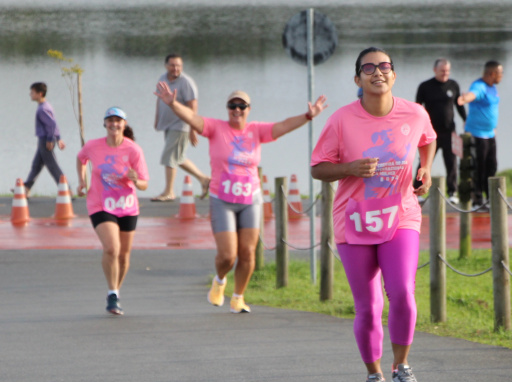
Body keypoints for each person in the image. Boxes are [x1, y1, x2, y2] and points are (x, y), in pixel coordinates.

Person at [311, 47, 437, 382]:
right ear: (357, 79)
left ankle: (401, 366)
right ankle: (374, 375)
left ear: (394, 75)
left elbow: (428, 140)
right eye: (369, 68)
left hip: (401, 214)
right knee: (368, 306)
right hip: (354, 220)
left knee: (403, 295)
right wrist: (349, 168)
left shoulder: (414, 113)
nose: (377, 72)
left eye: (385, 66)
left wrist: (424, 170)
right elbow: (318, 167)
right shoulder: (341, 120)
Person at [155, 83, 327, 314]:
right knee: (227, 255)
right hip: (221, 199)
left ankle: (238, 297)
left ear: (249, 108)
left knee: (247, 252)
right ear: (227, 108)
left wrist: (308, 115)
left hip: (250, 200)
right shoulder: (216, 128)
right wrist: (173, 104)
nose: (237, 110)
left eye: (241, 106)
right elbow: (193, 119)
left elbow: (284, 126)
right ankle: (219, 281)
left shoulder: (256, 130)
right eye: (232, 106)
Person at [76, 107, 149, 316]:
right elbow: (80, 159)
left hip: (127, 206)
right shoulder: (93, 146)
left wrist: (136, 179)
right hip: (100, 204)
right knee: (112, 248)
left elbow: (144, 184)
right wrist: (82, 181)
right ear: (104, 124)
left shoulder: (133, 150)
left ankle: (115, 291)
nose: (114, 125)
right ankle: (112, 294)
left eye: (118, 121)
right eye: (110, 121)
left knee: (124, 255)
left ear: (124, 125)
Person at [151, 54, 210, 202]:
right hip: (168, 125)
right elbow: (160, 100)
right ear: (166, 66)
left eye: (178, 65)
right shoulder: (162, 79)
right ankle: (204, 179)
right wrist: (157, 118)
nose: (176, 68)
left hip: (181, 124)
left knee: (169, 157)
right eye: (172, 65)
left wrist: (193, 128)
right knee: (178, 157)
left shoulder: (186, 82)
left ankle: (169, 192)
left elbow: (193, 107)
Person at [415, 58, 466, 203]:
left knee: (451, 162)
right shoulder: (425, 86)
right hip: (430, 133)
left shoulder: (453, 85)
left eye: (448, 71)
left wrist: (465, 120)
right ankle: (417, 190)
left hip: (450, 131)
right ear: (435, 70)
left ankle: (452, 192)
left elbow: (459, 106)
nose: (445, 73)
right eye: (442, 70)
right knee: (424, 163)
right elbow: (417, 107)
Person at [457, 61, 503, 207]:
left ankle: (490, 199)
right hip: (477, 135)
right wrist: (464, 99)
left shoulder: (492, 87)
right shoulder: (479, 86)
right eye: (500, 73)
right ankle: (477, 200)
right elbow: (473, 95)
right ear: (492, 74)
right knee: (478, 168)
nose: (502, 76)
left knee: (492, 167)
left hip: (490, 134)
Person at [23, 82, 67, 197]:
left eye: (32, 92)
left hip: (45, 140)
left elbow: (51, 125)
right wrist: (58, 138)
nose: (30, 94)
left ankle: (66, 189)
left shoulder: (43, 109)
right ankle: (26, 188)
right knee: (36, 165)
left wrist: (50, 140)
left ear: (40, 94)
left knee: (52, 166)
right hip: (44, 139)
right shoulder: (45, 106)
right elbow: (53, 123)